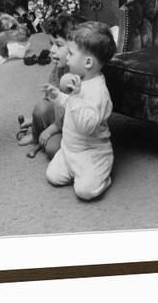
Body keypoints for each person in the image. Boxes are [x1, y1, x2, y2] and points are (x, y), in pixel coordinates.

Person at [45, 21, 117, 200]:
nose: (67, 58)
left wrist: (75, 97)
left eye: (70, 53)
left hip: (91, 151)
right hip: (70, 149)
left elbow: (87, 126)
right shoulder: (81, 80)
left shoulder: (99, 92)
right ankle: (73, 167)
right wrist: (59, 97)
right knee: (53, 176)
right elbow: (72, 106)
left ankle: (102, 172)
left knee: (85, 191)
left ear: (88, 62)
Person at [17, 13, 83, 158]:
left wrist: (52, 129)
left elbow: (75, 112)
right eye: (51, 44)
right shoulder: (59, 67)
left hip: (75, 124)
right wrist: (36, 121)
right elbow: (49, 100)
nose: (52, 50)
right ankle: (35, 136)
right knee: (40, 108)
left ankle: (47, 133)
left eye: (58, 45)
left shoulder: (79, 76)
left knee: (52, 149)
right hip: (60, 116)